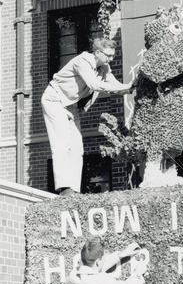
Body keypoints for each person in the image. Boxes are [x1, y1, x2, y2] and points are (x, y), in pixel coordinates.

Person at [41, 38, 133, 196]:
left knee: (77, 148)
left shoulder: (103, 66)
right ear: (97, 52)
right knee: (62, 144)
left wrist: (130, 87)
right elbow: (94, 85)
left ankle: (74, 190)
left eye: (113, 56)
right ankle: (64, 189)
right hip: (54, 100)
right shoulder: (82, 61)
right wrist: (125, 87)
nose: (111, 59)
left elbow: (114, 84)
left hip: (70, 106)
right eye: (108, 55)